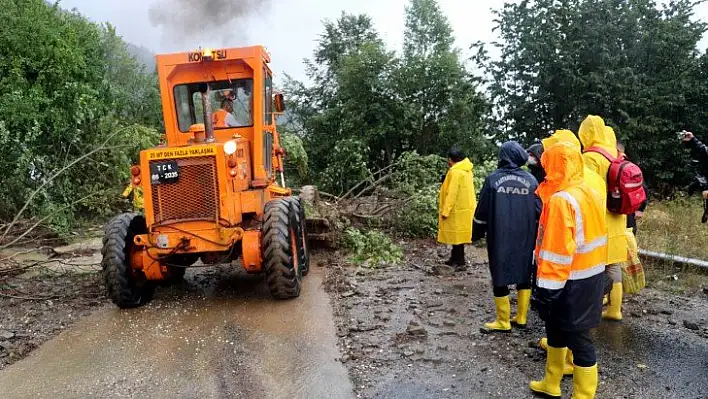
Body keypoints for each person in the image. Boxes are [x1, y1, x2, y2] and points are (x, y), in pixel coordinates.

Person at [530, 141, 607, 399]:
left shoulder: (562, 200)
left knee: (579, 339)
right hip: (591, 276)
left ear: (553, 166)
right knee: (556, 330)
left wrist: (545, 293)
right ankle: (550, 383)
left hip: (570, 282)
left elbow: (556, 253)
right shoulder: (588, 192)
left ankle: (582, 395)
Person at [473, 141, 541, 332]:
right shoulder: (531, 181)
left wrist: (476, 233)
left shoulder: (493, 180)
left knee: (500, 274)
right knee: (524, 273)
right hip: (526, 236)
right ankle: (521, 317)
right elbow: (539, 210)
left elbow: (482, 211)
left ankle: (503, 321)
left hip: (499, 235)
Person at [579, 115, 627, 321]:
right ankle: (615, 309)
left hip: (600, 218)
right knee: (614, 265)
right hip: (618, 217)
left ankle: (590, 309)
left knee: (595, 267)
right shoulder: (615, 154)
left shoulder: (591, 157)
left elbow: (587, 189)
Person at [437, 148, 476, 269]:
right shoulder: (466, 170)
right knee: (458, 236)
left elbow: (452, 193)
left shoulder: (456, 172)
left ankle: (460, 262)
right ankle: (455, 258)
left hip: (456, 209)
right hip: (465, 208)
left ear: (451, 159)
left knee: (457, 237)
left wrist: (446, 210)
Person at [616, 140, 648, 235]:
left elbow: (643, 188)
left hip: (628, 214)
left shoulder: (628, 168)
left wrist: (640, 209)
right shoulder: (610, 165)